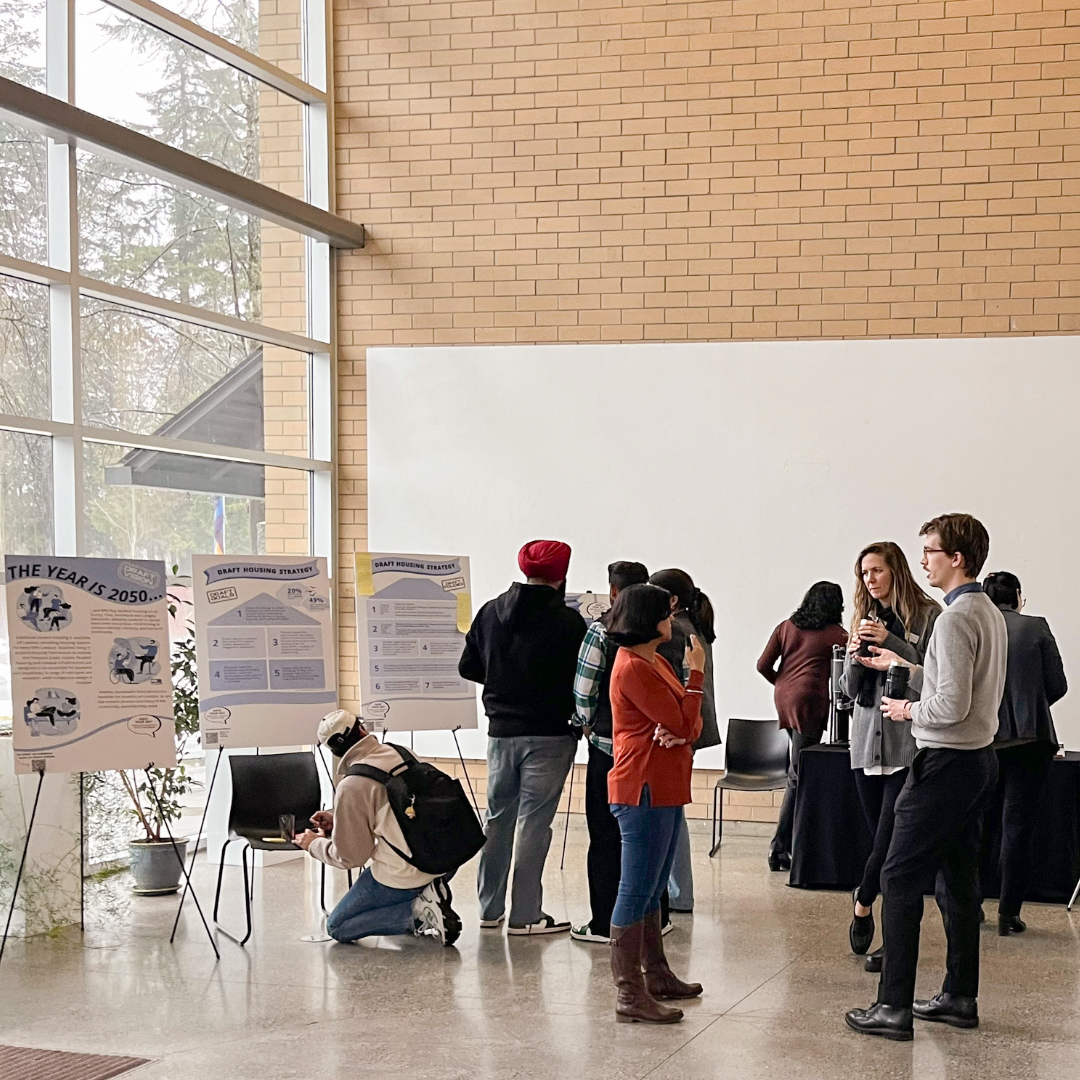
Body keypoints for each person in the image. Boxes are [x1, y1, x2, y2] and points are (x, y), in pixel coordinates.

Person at [845, 513, 1007, 1041]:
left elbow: (950, 705)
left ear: (957, 558)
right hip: (976, 761)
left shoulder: (954, 619)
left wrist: (906, 711)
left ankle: (892, 1006)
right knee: (959, 881)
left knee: (897, 877)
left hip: (945, 763)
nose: (923, 561)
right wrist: (908, 667)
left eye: (931, 551)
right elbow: (955, 684)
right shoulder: (984, 609)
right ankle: (960, 997)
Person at [459, 539, 587, 935]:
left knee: (497, 819)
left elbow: (468, 667)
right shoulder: (569, 623)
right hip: (550, 735)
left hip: (500, 734)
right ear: (562, 575)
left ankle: (488, 908)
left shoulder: (490, 612)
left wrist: (502, 679)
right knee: (534, 823)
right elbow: (582, 679)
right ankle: (526, 915)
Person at [606, 583, 704, 1024]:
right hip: (642, 787)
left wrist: (682, 729)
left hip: (664, 784)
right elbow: (684, 715)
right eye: (667, 612)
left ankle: (657, 974)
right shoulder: (634, 668)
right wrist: (696, 677)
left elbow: (689, 723)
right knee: (636, 888)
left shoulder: (655, 660)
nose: (673, 618)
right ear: (649, 620)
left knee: (654, 884)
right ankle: (629, 993)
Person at [841, 542, 940, 971]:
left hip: (907, 744)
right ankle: (884, 924)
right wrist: (856, 657)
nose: (870, 580)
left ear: (896, 571)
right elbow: (847, 691)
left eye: (877, 571)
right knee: (878, 843)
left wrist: (893, 642)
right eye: (864, 573)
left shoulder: (928, 615)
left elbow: (934, 678)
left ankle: (865, 903)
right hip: (866, 742)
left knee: (889, 845)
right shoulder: (861, 619)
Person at [294, 710, 461, 946]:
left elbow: (351, 857)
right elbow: (395, 808)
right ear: (362, 729)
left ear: (334, 751)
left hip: (404, 873)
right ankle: (430, 891)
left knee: (338, 926)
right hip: (445, 858)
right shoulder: (401, 752)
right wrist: (338, 817)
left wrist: (313, 844)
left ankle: (418, 912)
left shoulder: (351, 785)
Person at [983, 571, 1067, 936]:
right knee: (1017, 828)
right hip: (1031, 741)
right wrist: (1029, 703)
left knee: (979, 825)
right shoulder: (1035, 627)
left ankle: (970, 905)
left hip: (982, 740)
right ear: (1017, 596)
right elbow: (1058, 685)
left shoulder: (976, 627)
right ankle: (1008, 913)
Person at [570, 559, 650, 944]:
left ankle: (605, 923)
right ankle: (653, 920)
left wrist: (585, 723)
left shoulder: (602, 632)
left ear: (613, 592)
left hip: (608, 746)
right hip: (654, 749)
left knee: (605, 836)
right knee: (648, 836)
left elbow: (584, 690)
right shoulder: (661, 631)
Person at [757, 582, 847, 871]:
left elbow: (762, 665)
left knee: (798, 768)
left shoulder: (786, 627)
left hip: (783, 697)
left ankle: (787, 844)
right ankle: (780, 846)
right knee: (799, 774)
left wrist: (783, 684)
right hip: (810, 701)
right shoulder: (838, 635)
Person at [648, 568, 720, 915]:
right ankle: (678, 891)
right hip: (690, 725)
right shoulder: (693, 626)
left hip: (680, 729)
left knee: (671, 812)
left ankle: (678, 893)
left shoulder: (674, 631)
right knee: (674, 810)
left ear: (671, 600)